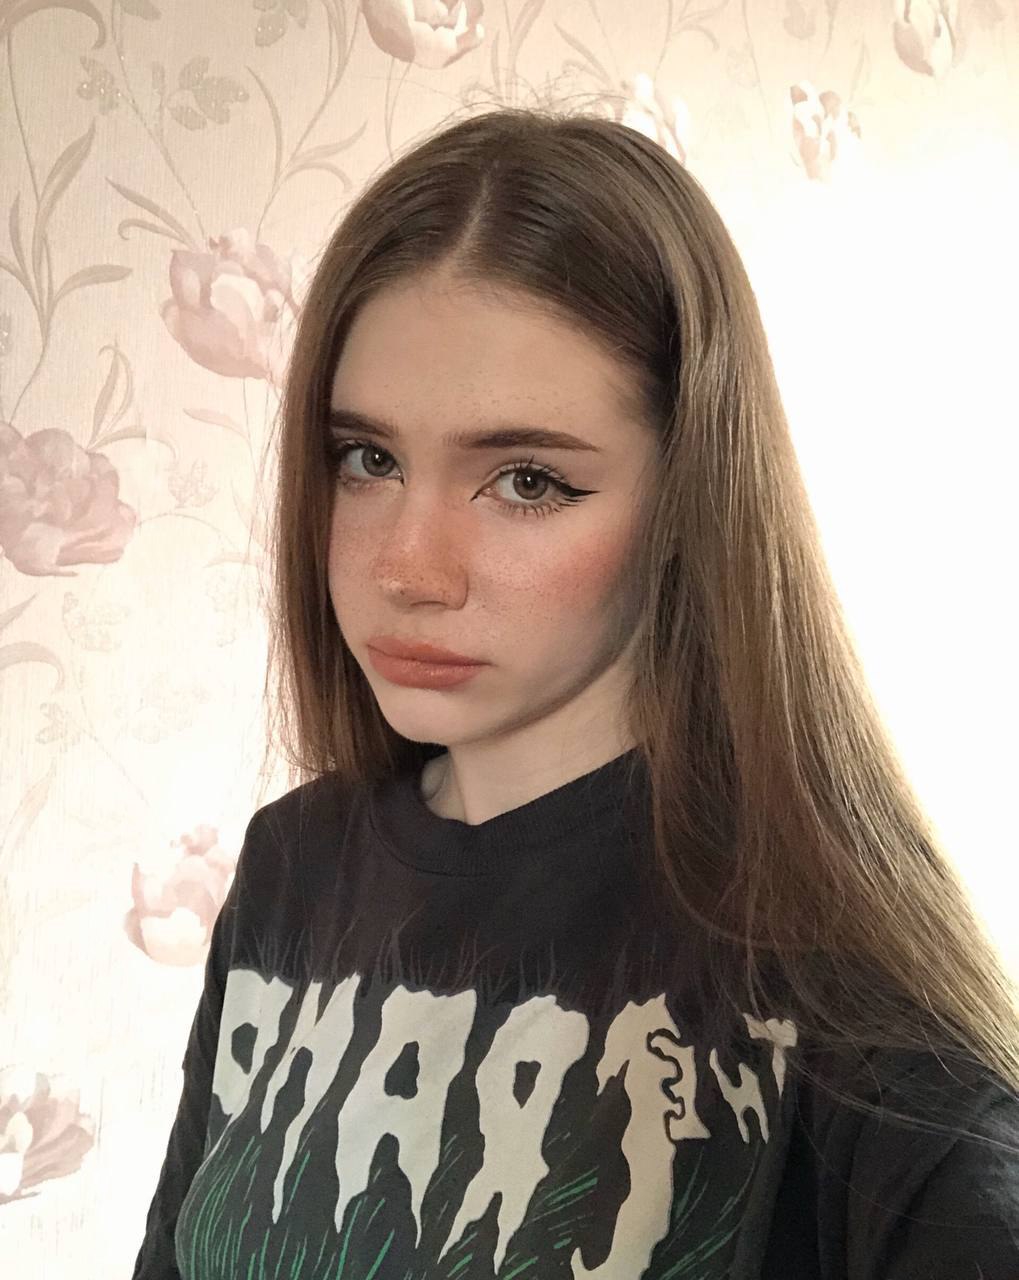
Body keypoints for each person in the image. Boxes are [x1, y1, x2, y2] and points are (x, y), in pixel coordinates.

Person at [131, 106, 1019, 1279]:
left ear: (689, 497)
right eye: (369, 459)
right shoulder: (294, 863)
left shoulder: (828, 981)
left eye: (526, 480)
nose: (407, 569)